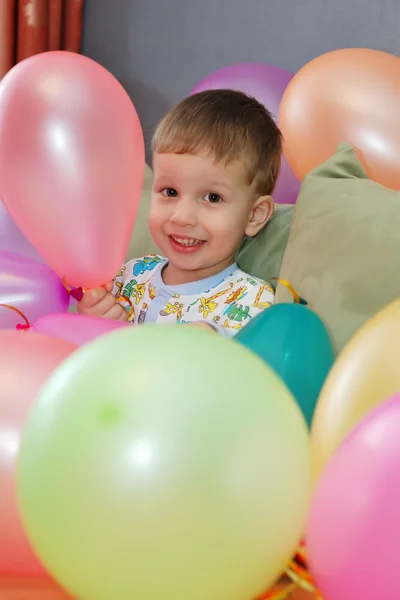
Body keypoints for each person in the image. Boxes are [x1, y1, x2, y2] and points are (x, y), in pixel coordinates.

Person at [77, 89, 282, 336]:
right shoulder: (128, 277)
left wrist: (211, 339)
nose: (181, 217)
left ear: (254, 215)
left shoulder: (251, 301)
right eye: (170, 192)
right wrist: (92, 320)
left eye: (212, 197)